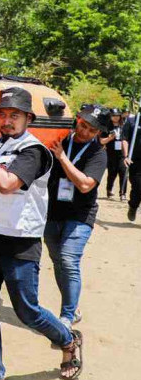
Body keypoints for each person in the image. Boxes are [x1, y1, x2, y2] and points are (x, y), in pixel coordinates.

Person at [0, 87, 84, 380]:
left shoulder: (34, 151)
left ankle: (68, 339)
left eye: (14, 115)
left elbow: (6, 183)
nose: (7, 120)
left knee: (27, 311)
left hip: (19, 244)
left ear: (29, 118)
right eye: (2, 114)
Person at [44, 104, 109, 330]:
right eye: (83, 125)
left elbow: (84, 185)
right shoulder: (60, 138)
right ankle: (72, 307)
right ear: (77, 119)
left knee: (69, 261)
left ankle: (67, 316)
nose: (85, 132)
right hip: (52, 212)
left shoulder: (98, 154)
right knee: (59, 262)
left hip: (81, 215)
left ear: (98, 133)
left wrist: (62, 157)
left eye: (92, 130)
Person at [100, 108, 127, 200]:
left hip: (123, 153)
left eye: (117, 116)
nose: (116, 118)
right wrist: (110, 138)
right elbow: (101, 141)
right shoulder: (106, 127)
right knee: (112, 173)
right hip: (110, 153)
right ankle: (109, 189)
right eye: (114, 116)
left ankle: (123, 193)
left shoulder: (124, 126)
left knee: (123, 172)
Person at [123, 112, 141, 222]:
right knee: (138, 187)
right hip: (136, 161)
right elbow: (125, 139)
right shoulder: (132, 121)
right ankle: (133, 206)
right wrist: (126, 156)